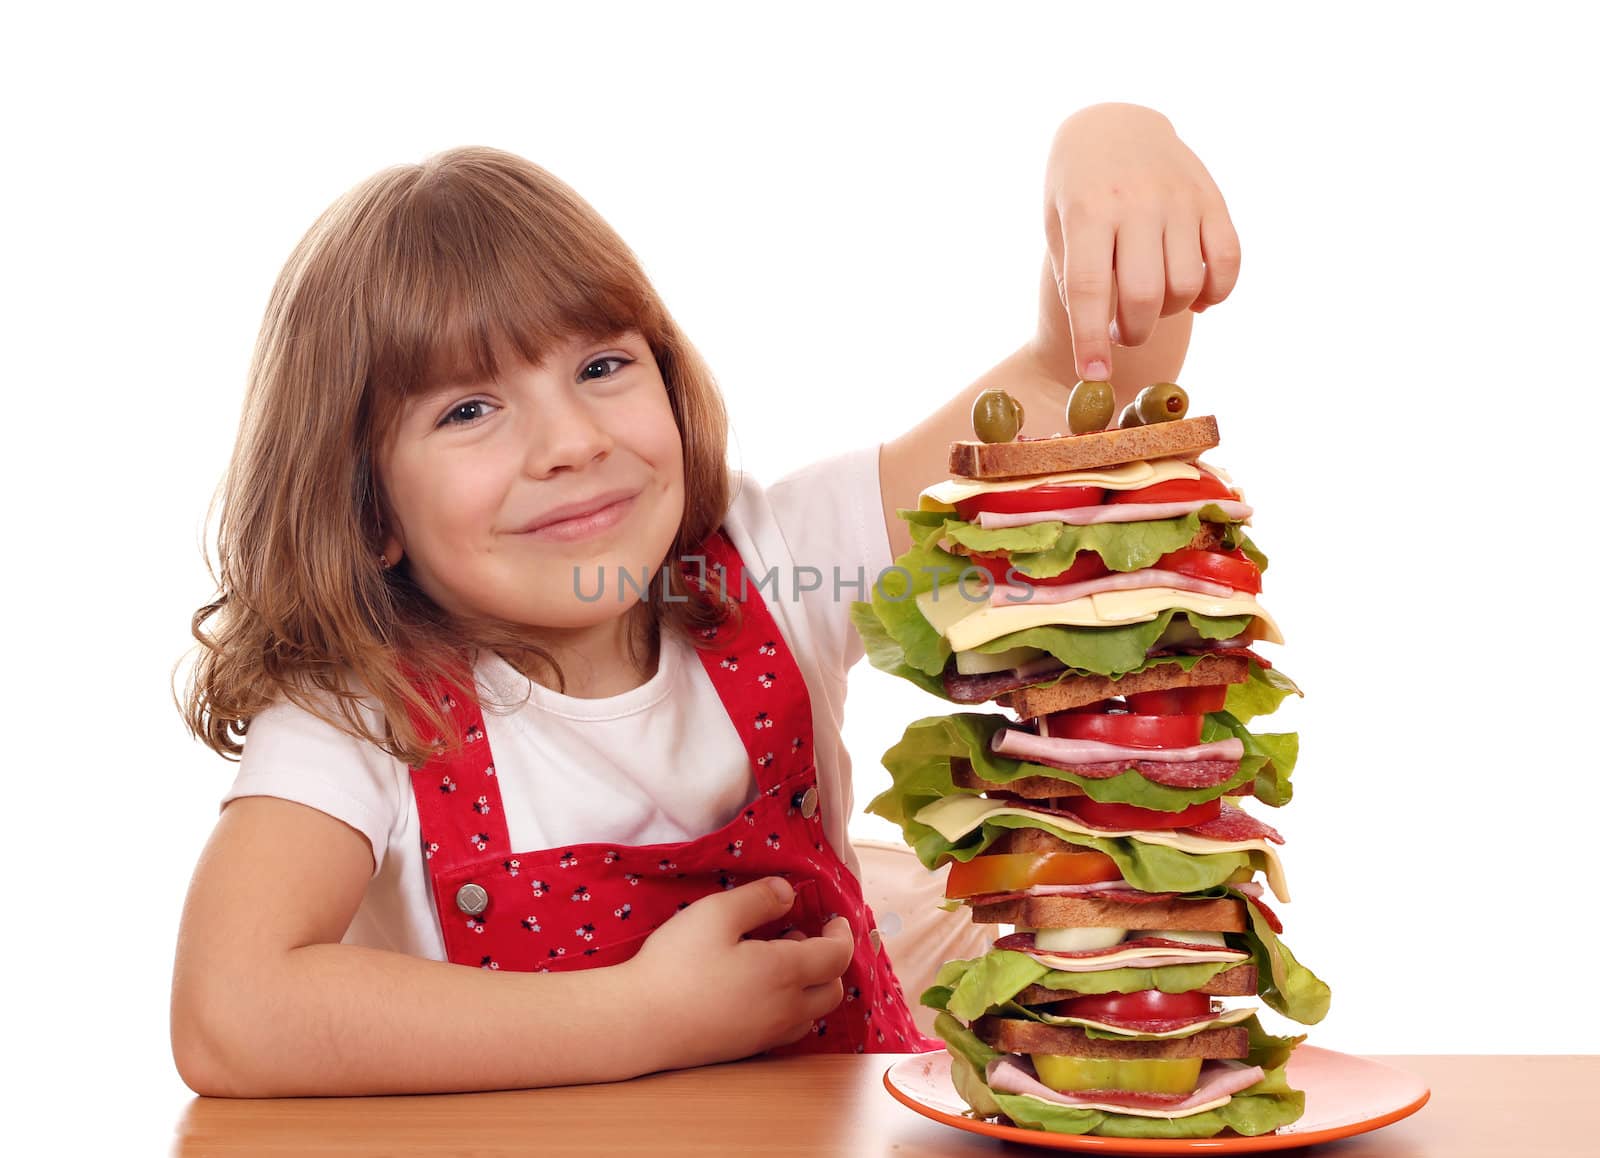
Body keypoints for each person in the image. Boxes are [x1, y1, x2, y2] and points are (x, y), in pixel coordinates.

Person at [170, 101, 1237, 1097]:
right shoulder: (353, 713)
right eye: (468, 408)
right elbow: (229, 1012)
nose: (572, 442)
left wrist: (1110, 145)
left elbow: (1071, 398)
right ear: (368, 506)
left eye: (600, 366)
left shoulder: (772, 561)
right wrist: (639, 1017)